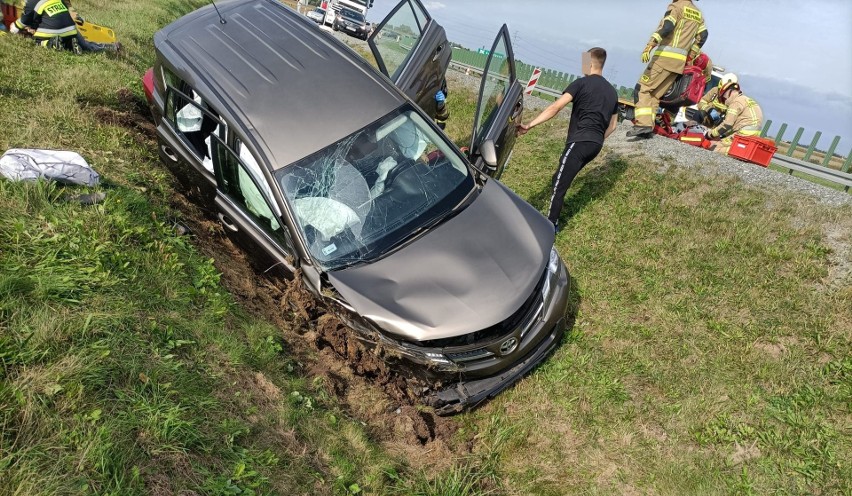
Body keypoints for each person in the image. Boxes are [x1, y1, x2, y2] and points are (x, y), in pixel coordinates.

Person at [517, 47, 618, 231]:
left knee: (559, 185)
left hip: (579, 141)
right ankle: (551, 219)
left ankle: (549, 225)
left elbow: (556, 107)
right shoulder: (612, 92)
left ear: (589, 63)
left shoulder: (581, 83)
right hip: (596, 145)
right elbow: (613, 125)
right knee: (561, 176)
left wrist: (529, 125)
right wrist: (596, 138)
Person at [627, 0, 708, 137]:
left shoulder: (676, 7)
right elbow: (703, 35)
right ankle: (648, 127)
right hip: (679, 64)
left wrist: (650, 44)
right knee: (655, 95)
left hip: (664, 58)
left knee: (643, 88)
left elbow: (667, 26)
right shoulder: (698, 14)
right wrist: (691, 55)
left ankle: (642, 124)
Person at [705, 80, 764, 155]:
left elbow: (727, 124)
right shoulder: (745, 99)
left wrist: (710, 134)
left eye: (723, 98)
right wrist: (723, 136)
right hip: (753, 134)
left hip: (743, 133)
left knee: (714, 146)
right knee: (721, 141)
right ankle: (741, 151)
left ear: (728, 93)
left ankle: (738, 153)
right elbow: (735, 125)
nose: (724, 102)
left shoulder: (735, 103)